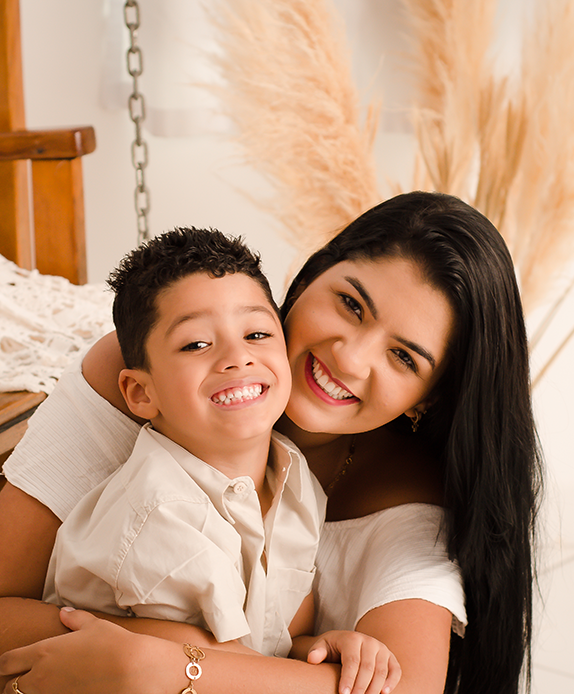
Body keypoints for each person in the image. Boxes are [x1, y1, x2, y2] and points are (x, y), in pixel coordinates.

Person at [0, 191, 543, 694]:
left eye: (403, 357)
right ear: (312, 274)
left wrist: (170, 669)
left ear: (428, 398)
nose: (349, 359)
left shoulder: (405, 489)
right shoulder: (151, 379)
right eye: (350, 305)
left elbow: (405, 692)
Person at [45, 227, 396, 692]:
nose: (237, 357)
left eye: (256, 333)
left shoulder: (292, 475)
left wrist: (325, 646)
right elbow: (202, 672)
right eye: (195, 344)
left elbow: (274, 643)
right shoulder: (161, 514)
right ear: (141, 392)